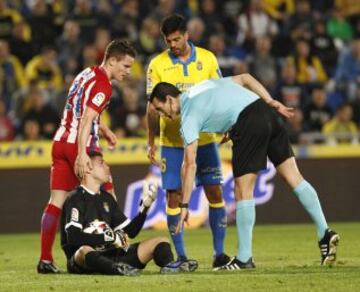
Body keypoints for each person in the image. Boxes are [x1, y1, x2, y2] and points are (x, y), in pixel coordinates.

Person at [149, 73, 340, 270]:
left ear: (170, 99)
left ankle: (244, 258)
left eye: (159, 108)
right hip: (268, 113)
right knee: (293, 176)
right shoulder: (201, 87)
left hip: (248, 123)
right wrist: (271, 101)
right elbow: (245, 78)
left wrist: (184, 205)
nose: (160, 114)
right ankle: (324, 233)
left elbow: (190, 164)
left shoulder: (188, 115)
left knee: (242, 191)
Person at [37, 39, 136, 273]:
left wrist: (105, 129)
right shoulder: (104, 86)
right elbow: (86, 119)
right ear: (112, 60)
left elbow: (77, 109)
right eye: (126, 66)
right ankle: (116, 253)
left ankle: (45, 260)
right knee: (108, 193)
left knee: (55, 203)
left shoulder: (86, 73)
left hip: (60, 141)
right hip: (79, 146)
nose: (128, 72)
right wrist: (82, 153)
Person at [146, 14, 230, 270]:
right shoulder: (157, 65)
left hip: (204, 139)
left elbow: (220, 94)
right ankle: (181, 256)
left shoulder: (207, 59)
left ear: (187, 34)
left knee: (214, 192)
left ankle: (219, 254)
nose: (172, 44)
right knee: (174, 196)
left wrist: (225, 123)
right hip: (171, 142)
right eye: (168, 40)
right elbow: (151, 108)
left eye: (177, 39)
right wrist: (151, 141)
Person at [61, 151, 190, 275]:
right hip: (83, 260)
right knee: (84, 250)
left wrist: (144, 209)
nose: (107, 166)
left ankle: (170, 266)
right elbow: (74, 238)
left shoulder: (107, 198)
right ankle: (116, 268)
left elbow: (131, 231)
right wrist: (110, 238)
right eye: (101, 163)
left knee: (161, 241)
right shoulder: (75, 198)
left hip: (111, 254)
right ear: (88, 168)